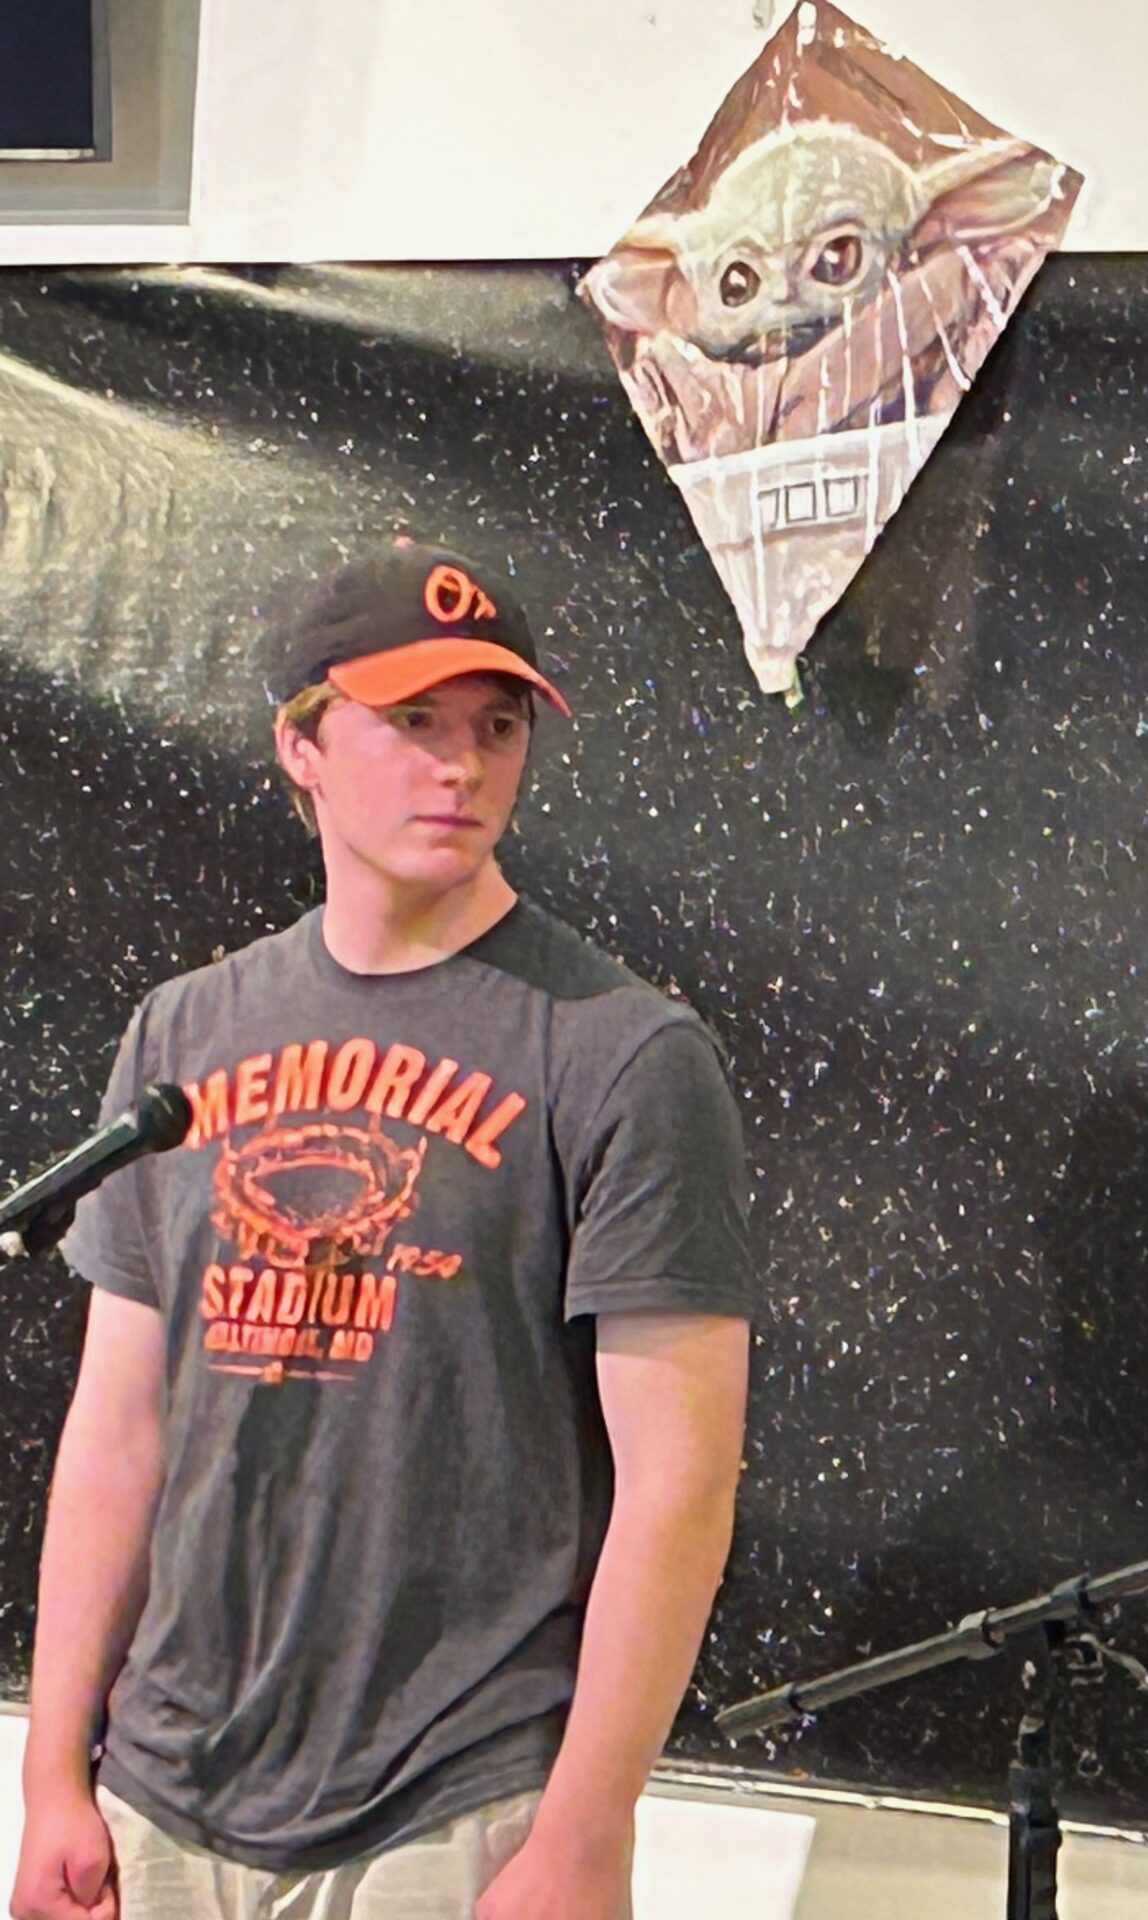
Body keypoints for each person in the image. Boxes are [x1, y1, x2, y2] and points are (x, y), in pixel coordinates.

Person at [11, 541, 754, 1920]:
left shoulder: (625, 1054)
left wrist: (585, 1831)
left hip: (455, 1807)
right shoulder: (184, 1035)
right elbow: (117, 1433)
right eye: (412, 721)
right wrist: (54, 1772)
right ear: (300, 746)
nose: (461, 767)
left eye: (497, 727)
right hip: (163, 1792)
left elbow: (681, 1484)